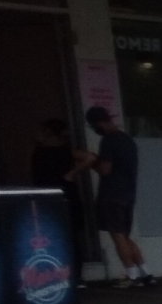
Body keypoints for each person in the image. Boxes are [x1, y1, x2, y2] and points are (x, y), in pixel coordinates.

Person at [75, 105, 154, 286]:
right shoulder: (127, 140)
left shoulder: (109, 141)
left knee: (118, 237)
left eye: (94, 126)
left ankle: (131, 276)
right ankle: (146, 273)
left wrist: (93, 160)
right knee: (125, 236)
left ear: (99, 123)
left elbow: (105, 169)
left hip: (112, 194)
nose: (95, 130)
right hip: (127, 194)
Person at [26, 117, 91, 282]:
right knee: (71, 237)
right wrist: (72, 174)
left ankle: (58, 273)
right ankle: (75, 275)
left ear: (48, 133)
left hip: (48, 197)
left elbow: (90, 157)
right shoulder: (66, 151)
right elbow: (90, 157)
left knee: (53, 236)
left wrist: (71, 173)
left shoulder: (40, 152)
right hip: (65, 194)